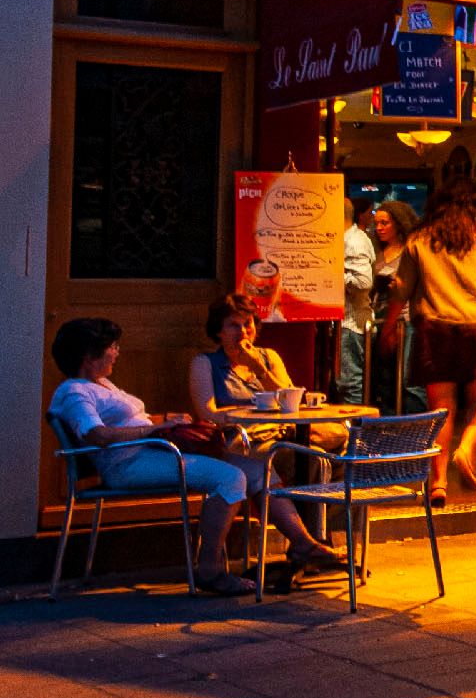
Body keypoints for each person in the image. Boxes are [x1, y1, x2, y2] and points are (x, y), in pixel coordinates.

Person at [50, 318, 342, 594]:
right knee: (229, 478)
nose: (116, 353)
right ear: (89, 356)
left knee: (255, 469)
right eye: (111, 347)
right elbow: (97, 435)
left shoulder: (102, 384)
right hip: (128, 464)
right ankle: (210, 569)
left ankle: (302, 543)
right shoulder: (75, 392)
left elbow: (128, 420)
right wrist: (154, 432)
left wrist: (166, 419)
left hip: (151, 452)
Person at [392, 180, 476, 503]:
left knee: (441, 408)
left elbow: (401, 288)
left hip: (435, 331)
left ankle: (438, 481)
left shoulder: (419, 240)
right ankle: (466, 450)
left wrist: (387, 327)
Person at [188, 293, 297, 417]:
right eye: (234, 325)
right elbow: (207, 414)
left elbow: (291, 403)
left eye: (247, 324)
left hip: (276, 430)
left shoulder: (270, 356)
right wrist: (252, 414)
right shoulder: (204, 363)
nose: (243, 331)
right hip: (237, 432)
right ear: (219, 331)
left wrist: (259, 370)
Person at [367, 199, 421, 414]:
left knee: (408, 377)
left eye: (385, 223)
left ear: (398, 223)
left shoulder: (410, 251)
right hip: (379, 316)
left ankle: (414, 424)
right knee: (384, 376)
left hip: (405, 317)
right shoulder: (376, 252)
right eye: (377, 223)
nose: (379, 228)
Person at [340, 200, 377, 407]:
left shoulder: (353, 241)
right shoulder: (351, 238)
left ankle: (355, 436)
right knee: (347, 383)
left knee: (349, 384)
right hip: (349, 323)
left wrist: (333, 274)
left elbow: (363, 282)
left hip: (352, 323)